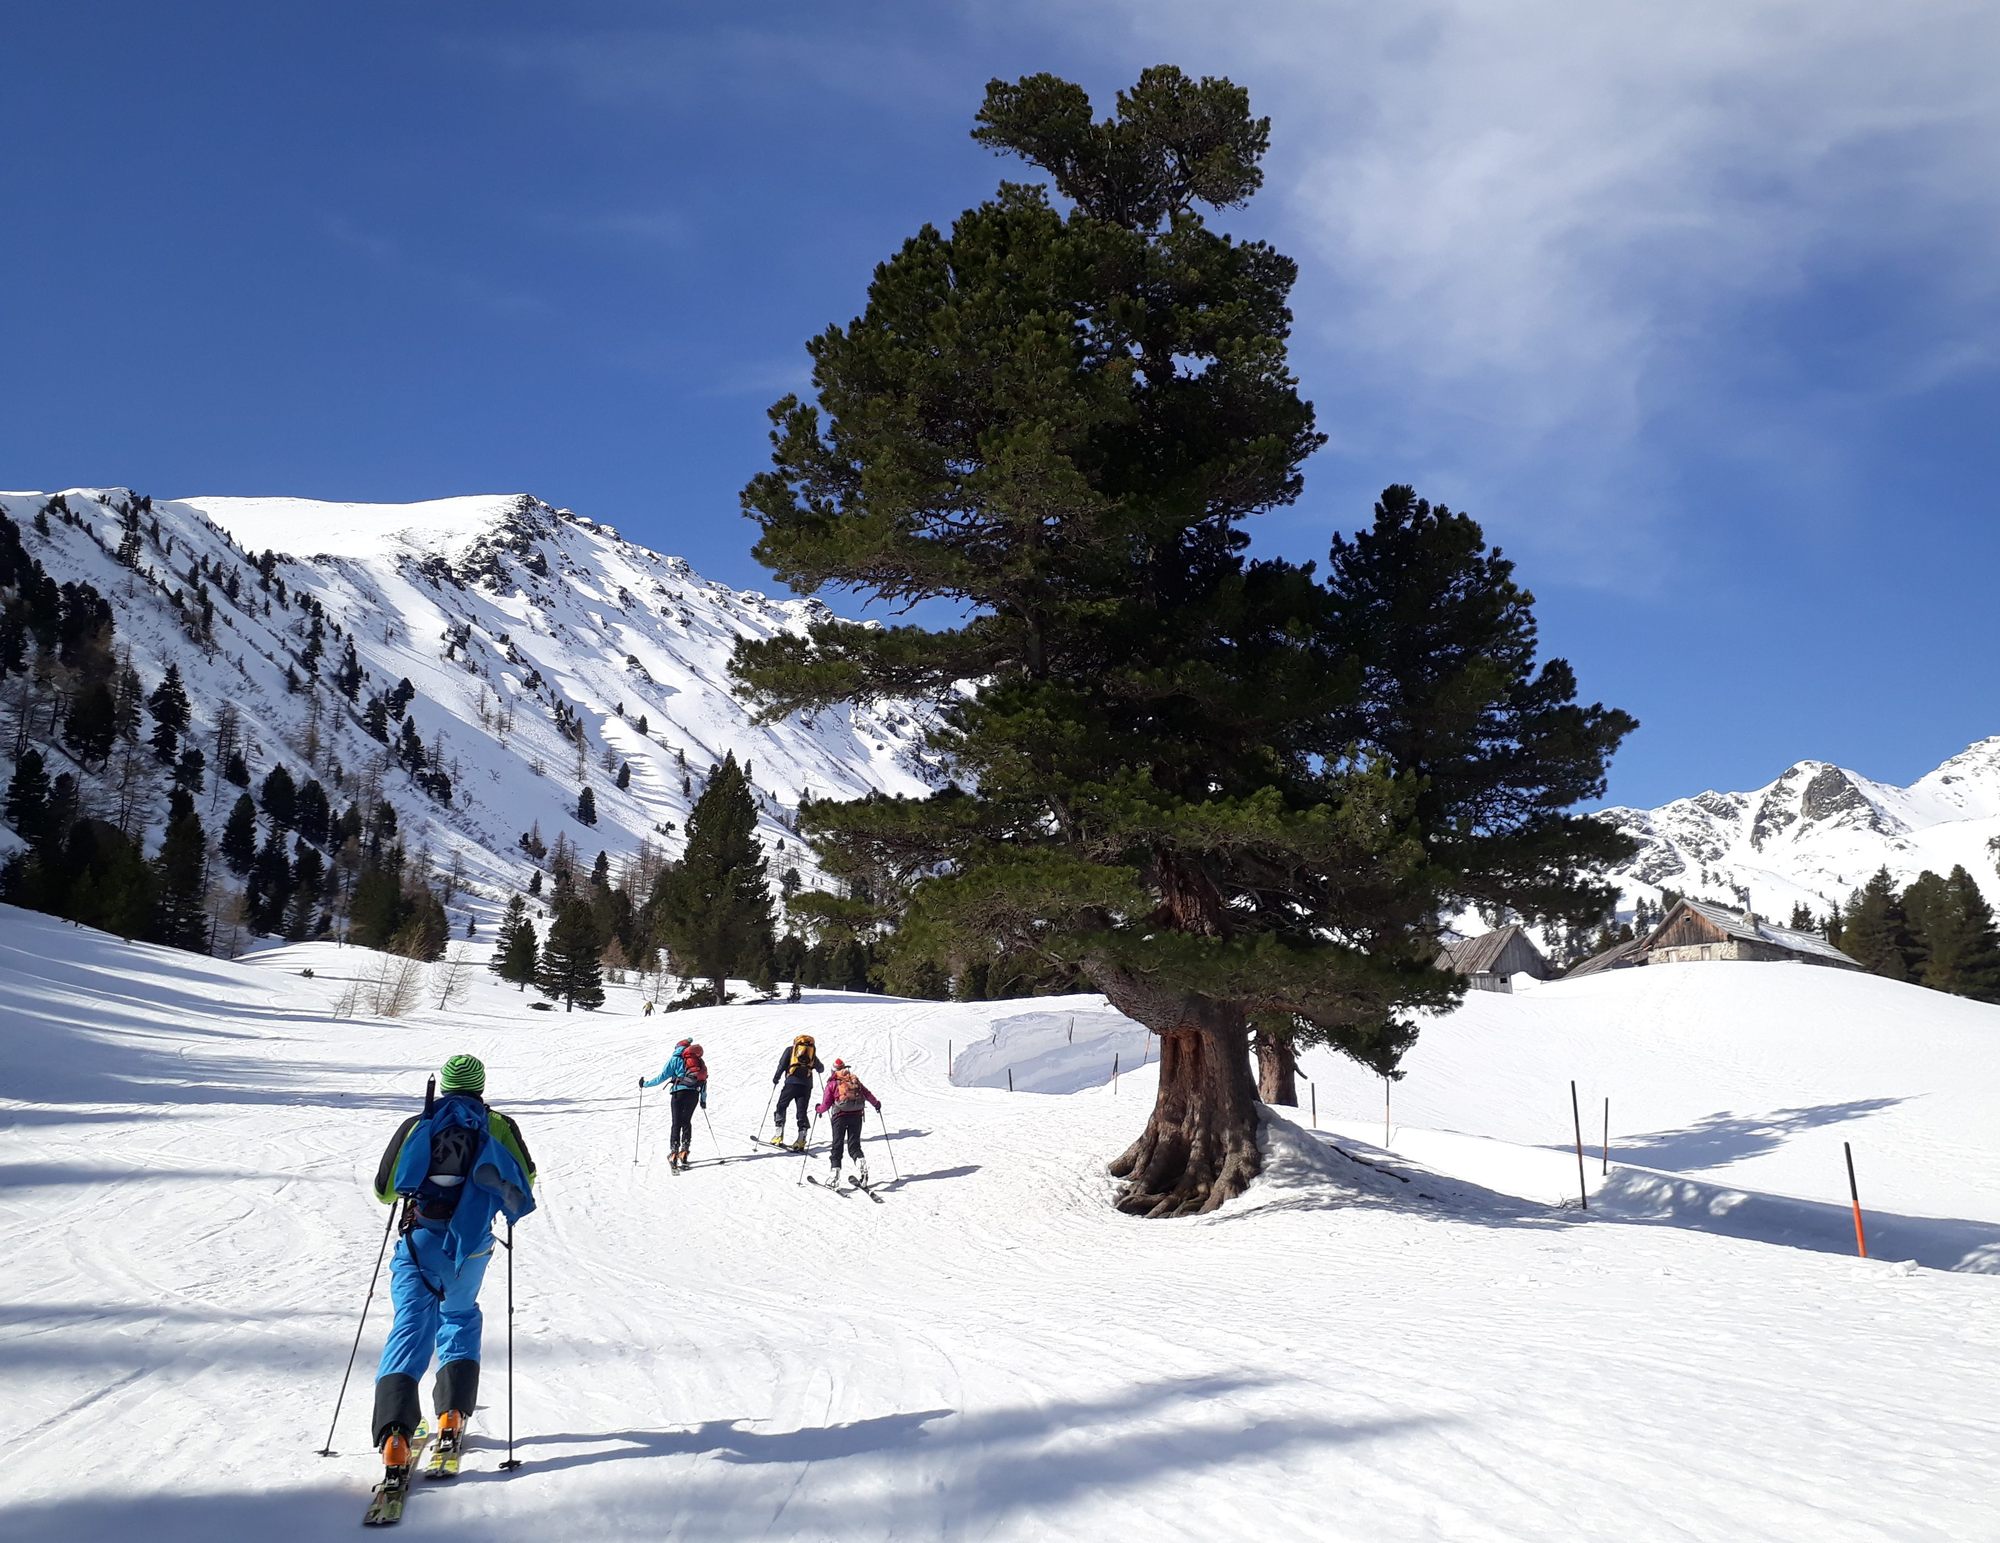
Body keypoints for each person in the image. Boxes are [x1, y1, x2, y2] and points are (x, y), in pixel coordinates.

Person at [370, 1054, 536, 1477]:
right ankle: (451, 1417)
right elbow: (524, 1180)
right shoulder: (498, 1124)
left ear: (443, 1084)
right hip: (472, 1244)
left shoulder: (419, 1123)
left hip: (419, 1238)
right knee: (460, 1316)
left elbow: (385, 1190)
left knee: (410, 1324)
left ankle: (395, 1434)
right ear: (481, 1085)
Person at [642, 1038, 707, 1170]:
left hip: (679, 1094)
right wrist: (703, 1100)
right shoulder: (698, 1060)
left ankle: (674, 1153)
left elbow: (662, 1077)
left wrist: (645, 1084)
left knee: (676, 1123)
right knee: (687, 1122)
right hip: (694, 1094)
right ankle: (684, 1152)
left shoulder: (675, 1059)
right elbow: (703, 1080)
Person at [815, 1057, 881, 1187]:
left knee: (837, 1146)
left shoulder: (832, 1083)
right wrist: (876, 1104)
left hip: (839, 1116)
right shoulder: (854, 1080)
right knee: (854, 1146)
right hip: (856, 1116)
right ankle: (862, 1165)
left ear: (833, 1071)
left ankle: (834, 1177)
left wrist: (818, 1109)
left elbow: (826, 1104)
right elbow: (867, 1093)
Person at [769, 1033, 822, 1149]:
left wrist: (776, 1078)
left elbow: (782, 1065)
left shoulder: (790, 1050)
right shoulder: (811, 1054)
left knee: (781, 1106)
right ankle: (801, 1140)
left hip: (791, 1084)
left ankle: (778, 1136)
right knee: (802, 1112)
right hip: (806, 1086)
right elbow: (821, 1068)